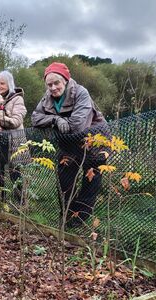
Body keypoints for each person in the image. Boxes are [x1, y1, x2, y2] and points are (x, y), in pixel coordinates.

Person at [31, 62, 109, 226]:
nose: (53, 87)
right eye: (49, 84)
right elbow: (35, 118)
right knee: (64, 179)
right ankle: (67, 215)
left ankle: (79, 221)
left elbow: (77, 125)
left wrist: (58, 123)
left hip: (93, 141)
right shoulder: (47, 98)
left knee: (90, 181)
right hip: (68, 143)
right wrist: (55, 119)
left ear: (65, 80)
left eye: (56, 82)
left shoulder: (81, 92)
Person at [0, 70, 27, 199]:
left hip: (13, 142)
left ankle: (20, 202)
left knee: (15, 172)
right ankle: (1, 200)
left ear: (9, 84)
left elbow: (16, 121)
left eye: (2, 83)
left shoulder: (17, 99)